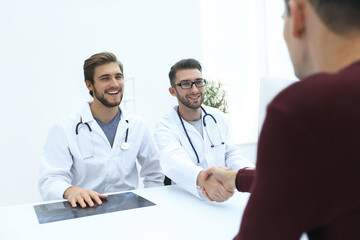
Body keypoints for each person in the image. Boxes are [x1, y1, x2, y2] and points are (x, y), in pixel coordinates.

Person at [203, 0, 360, 239]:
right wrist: (236, 178)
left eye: (282, 19)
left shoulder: (305, 109)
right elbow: (302, 179)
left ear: (297, 15)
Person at [39, 52, 164, 208]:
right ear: (89, 85)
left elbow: (154, 172)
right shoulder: (64, 128)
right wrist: (70, 190)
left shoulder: (137, 125)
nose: (114, 84)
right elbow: (50, 179)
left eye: (118, 77)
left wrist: (151, 206)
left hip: (127, 213)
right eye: (105, 78)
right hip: (83, 211)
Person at [154, 58, 255, 203]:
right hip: (187, 199)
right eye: (186, 84)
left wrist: (249, 173)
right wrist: (203, 179)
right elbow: (173, 160)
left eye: (198, 82)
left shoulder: (218, 117)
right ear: (173, 91)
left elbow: (231, 154)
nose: (194, 89)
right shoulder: (165, 126)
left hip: (223, 196)